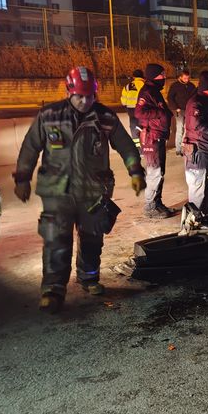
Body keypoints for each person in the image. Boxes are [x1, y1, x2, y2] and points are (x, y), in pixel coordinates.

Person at [14, 66, 146, 313]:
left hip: (93, 191)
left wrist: (135, 171)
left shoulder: (105, 117)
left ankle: (89, 277)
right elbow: (30, 147)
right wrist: (22, 178)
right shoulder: (49, 116)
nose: (85, 102)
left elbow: (126, 146)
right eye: (80, 96)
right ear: (69, 92)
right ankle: (53, 289)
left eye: (90, 96)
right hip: (57, 193)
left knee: (92, 238)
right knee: (56, 239)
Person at [135, 63, 174, 219]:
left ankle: (157, 202)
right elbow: (139, 112)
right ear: (153, 76)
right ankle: (150, 206)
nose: (164, 77)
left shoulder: (154, 91)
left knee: (160, 172)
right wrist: (160, 113)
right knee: (155, 172)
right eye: (161, 75)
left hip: (158, 136)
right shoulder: (147, 91)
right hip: (152, 137)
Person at [183, 73, 208, 216]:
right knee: (197, 187)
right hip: (199, 150)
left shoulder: (207, 102)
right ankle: (194, 219)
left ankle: (206, 215)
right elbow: (198, 125)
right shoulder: (196, 103)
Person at [166, 69, 197, 156]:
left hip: (189, 110)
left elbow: (195, 97)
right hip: (179, 111)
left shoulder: (191, 86)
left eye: (188, 78)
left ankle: (189, 147)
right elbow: (170, 98)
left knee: (190, 129)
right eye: (185, 78)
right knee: (180, 129)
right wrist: (176, 108)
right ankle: (178, 149)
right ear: (180, 77)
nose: (187, 80)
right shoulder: (175, 86)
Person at [119, 69, 144, 147]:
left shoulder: (127, 86)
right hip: (142, 109)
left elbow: (123, 99)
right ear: (142, 76)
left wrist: (126, 106)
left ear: (133, 77)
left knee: (133, 127)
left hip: (131, 110)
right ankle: (145, 146)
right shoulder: (145, 84)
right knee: (144, 126)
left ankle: (138, 148)